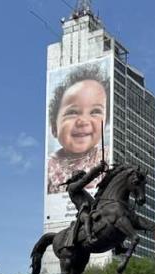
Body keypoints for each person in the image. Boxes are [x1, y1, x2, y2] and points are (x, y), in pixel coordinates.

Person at [47, 64, 110, 194]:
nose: (83, 121)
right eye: (72, 112)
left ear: (105, 124)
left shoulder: (106, 156)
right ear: (54, 127)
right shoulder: (50, 166)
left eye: (95, 111)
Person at [65, 160, 108, 245]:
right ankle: (89, 237)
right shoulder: (72, 187)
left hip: (93, 210)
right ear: (77, 178)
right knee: (87, 218)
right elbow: (85, 180)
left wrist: (99, 171)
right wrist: (97, 168)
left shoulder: (83, 191)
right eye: (81, 177)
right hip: (83, 212)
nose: (82, 179)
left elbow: (86, 179)